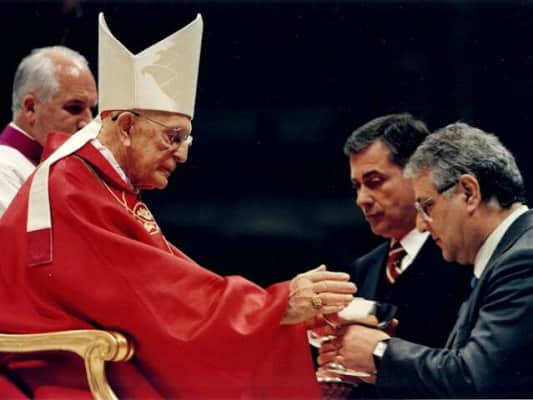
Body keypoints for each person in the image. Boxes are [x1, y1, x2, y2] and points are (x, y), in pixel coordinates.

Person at [0, 13, 356, 399]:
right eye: (173, 137)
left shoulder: (101, 182)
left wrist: (277, 311)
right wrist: (275, 306)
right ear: (126, 126)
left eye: (187, 140)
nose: (183, 155)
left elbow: (173, 280)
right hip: (60, 370)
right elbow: (154, 296)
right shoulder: (72, 186)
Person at [319, 122, 533, 398]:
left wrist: (378, 351)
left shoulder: (522, 260)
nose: (421, 224)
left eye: (427, 206)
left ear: (469, 192)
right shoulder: (507, 255)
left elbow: (473, 380)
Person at [319, 114, 471, 398]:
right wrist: (342, 379)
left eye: (374, 181)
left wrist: (379, 354)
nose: (361, 199)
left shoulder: (464, 256)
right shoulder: (364, 268)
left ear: (419, 175)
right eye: (357, 186)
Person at [0, 46, 97, 217]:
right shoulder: (4, 169)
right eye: (74, 108)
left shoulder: (64, 167)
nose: (87, 123)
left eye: (92, 110)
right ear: (31, 108)